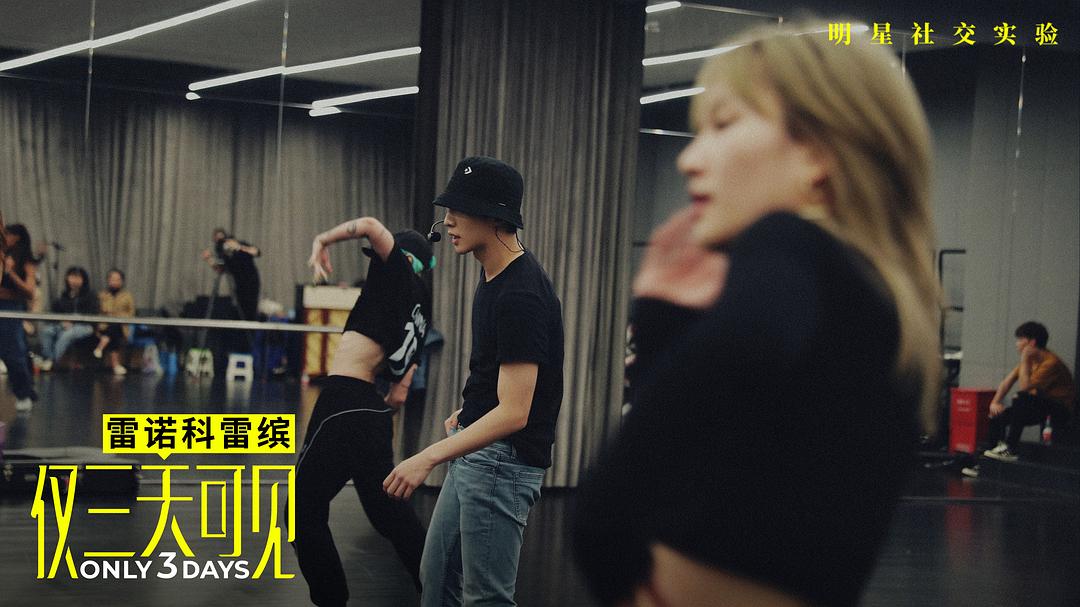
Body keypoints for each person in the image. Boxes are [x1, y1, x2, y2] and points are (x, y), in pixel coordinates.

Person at [572, 23, 942, 607]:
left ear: (816, 153)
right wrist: (666, 320)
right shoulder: (883, 303)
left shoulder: (789, 242)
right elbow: (724, 466)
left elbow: (744, 349)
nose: (689, 159)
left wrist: (598, 530)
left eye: (722, 125)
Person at [384, 156, 565, 607]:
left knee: (486, 598)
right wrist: (472, 410)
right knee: (437, 575)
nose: (447, 221)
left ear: (496, 217)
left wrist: (427, 457)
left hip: (502, 464)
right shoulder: (494, 276)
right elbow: (502, 379)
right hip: (479, 453)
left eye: (459, 210)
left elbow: (516, 412)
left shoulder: (521, 293)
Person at [292, 217, 435, 606]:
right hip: (373, 413)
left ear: (401, 257)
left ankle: (331, 599)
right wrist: (382, 406)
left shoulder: (395, 272)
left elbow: (371, 225)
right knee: (391, 516)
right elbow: (401, 389)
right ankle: (443, 591)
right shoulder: (422, 305)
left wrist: (322, 239)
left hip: (344, 400)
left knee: (302, 509)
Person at [983, 321, 1075, 462]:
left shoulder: (1051, 363)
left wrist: (1025, 358)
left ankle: (1011, 448)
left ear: (1032, 343)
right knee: (997, 416)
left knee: (1021, 397)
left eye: (1020, 339)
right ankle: (987, 461)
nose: (1017, 344)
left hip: (1060, 409)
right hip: (1041, 405)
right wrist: (995, 403)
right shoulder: (1031, 361)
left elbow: (1024, 387)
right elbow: (1007, 382)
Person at [0, 222, 40, 411]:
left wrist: (11, 273)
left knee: (13, 353)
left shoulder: (25, 260)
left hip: (11, 306)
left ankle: (24, 392)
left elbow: (30, 291)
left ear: (17, 237)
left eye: (8, 234)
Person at [38, 266, 98, 371]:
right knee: (46, 331)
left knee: (66, 335)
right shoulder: (64, 296)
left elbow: (92, 314)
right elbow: (55, 313)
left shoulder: (90, 295)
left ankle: (53, 362)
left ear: (83, 279)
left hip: (85, 326)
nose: (74, 280)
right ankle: (48, 358)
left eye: (78, 277)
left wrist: (73, 321)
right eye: (72, 277)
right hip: (63, 324)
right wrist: (62, 322)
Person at [201, 228, 261, 322]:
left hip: (251, 280)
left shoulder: (240, 244)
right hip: (238, 283)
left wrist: (239, 247)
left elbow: (257, 252)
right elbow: (221, 269)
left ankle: (251, 327)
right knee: (241, 308)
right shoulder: (222, 252)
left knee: (251, 307)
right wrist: (210, 260)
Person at [94, 268, 136, 375]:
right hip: (104, 326)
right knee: (113, 331)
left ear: (122, 281)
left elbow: (131, 313)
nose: (115, 282)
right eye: (113, 279)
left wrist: (118, 316)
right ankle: (116, 365)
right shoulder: (102, 295)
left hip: (122, 326)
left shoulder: (127, 296)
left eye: (118, 279)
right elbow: (98, 311)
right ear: (108, 280)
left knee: (115, 327)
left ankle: (101, 345)